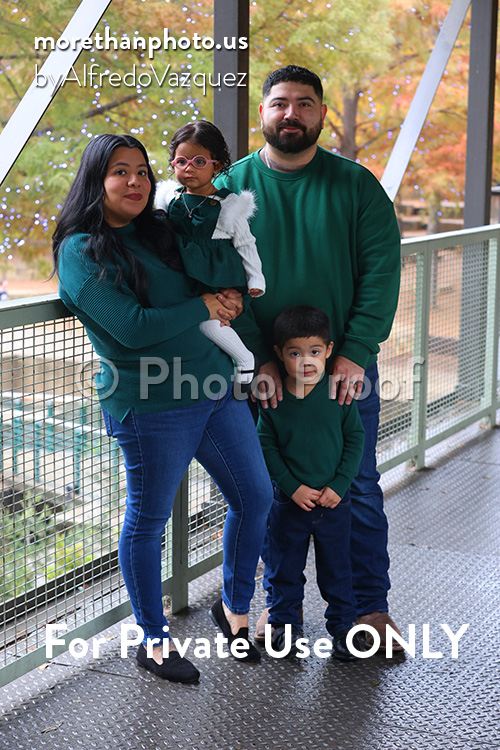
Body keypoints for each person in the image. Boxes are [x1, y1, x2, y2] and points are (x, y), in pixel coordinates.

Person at [52, 133, 273, 683]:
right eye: (119, 171)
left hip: (214, 388)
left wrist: (225, 296)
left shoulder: (158, 229)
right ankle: (153, 639)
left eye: (142, 171)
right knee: (148, 523)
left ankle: (234, 609)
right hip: (152, 404)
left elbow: (203, 280)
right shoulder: (81, 250)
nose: (135, 182)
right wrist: (202, 305)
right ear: (96, 180)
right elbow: (130, 328)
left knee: (255, 497)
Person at [216, 65, 403, 650]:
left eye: (303, 103)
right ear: (263, 113)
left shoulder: (357, 186)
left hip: (341, 370)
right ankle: (276, 611)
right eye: (279, 103)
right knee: (265, 489)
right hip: (259, 369)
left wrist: (356, 352)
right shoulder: (230, 188)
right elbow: (222, 279)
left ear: (321, 113)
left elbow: (381, 275)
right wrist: (259, 358)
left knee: (358, 484)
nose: (290, 113)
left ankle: (369, 610)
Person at [257, 305, 368, 660]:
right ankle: (285, 627)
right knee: (284, 568)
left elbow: (356, 439)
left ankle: (343, 628)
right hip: (290, 502)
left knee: (337, 569)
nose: (306, 361)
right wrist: (292, 487)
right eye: (295, 353)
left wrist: (340, 484)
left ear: (329, 350)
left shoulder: (338, 394)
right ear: (279, 354)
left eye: (315, 351)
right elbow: (266, 446)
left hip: (334, 501)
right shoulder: (274, 399)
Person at [156, 121, 265, 385]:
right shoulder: (170, 199)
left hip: (214, 276)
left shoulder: (229, 206)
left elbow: (246, 244)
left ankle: (244, 359)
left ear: (217, 166)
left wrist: (256, 279)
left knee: (208, 322)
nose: (189, 168)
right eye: (181, 162)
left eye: (199, 161)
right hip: (181, 273)